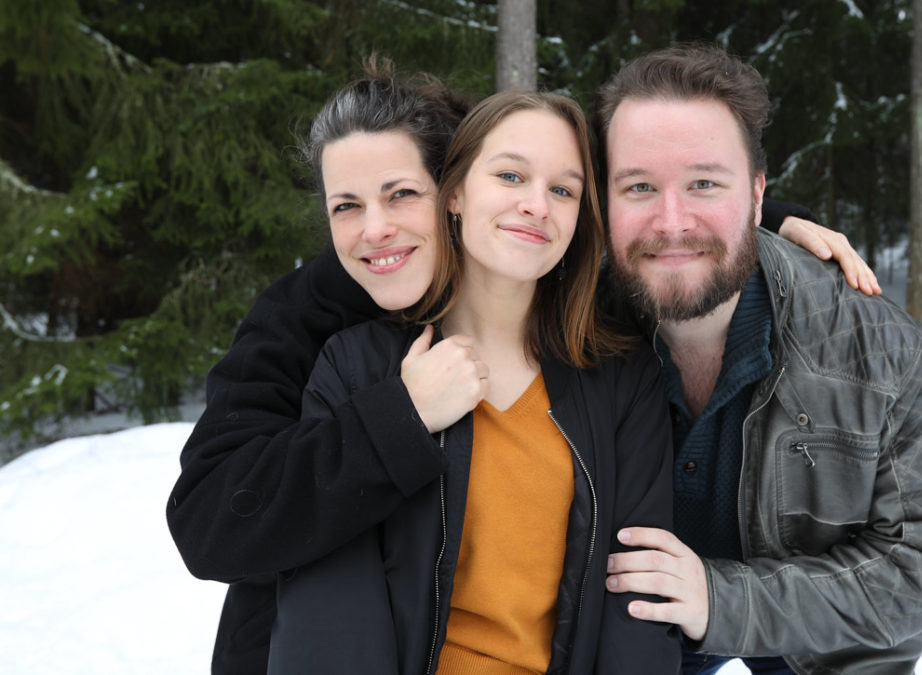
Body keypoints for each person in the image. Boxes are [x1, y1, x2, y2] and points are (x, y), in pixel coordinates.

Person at [166, 62, 880, 674]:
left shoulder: (595, 347)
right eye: (345, 206)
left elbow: (610, 198)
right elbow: (216, 530)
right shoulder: (317, 333)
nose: (374, 230)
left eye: (399, 194)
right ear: (463, 193)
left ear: (447, 185)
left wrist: (760, 219)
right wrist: (401, 417)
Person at [597, 45, 922, 674]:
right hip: (636, 629)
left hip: (819, 631)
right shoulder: (568, 318)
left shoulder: (873, 345)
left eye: (703, 183)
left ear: (755, 194)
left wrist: (721, 601)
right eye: (639, 186)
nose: (671, 222)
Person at [268, 90, 680, 672]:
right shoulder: (357, 367)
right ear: (454, 192)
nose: (537, 204)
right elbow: (332, 607)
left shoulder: (619, 377)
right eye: (511, 176)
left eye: (562, 189)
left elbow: (634, 601)